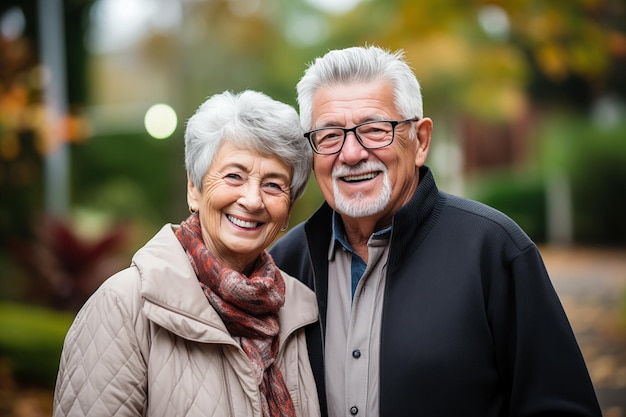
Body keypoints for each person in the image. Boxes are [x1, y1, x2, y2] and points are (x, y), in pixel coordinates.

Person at [269, 45, 602, 417]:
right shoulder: (282, 267)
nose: (350, 154)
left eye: (375, 130)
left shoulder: (494, 251)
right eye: (330, 136)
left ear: (420, 141)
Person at [53, 90, 320, 417]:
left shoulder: (302, 312)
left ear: (288, 209)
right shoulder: (123, 306)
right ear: (194, 188)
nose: (252, 200)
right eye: (234, 176)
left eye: (273, 185)